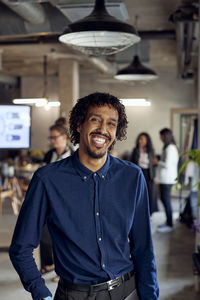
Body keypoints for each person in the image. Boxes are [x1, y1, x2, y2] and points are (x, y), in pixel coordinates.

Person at [9, 92, 159, 300]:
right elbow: (21, 247)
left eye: (111, 124)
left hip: (127, 291)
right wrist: (40, 292)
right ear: (79, 124)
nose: (103, 129)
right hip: (74, 294)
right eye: (95, 120)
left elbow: (143, 248)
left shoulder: (132, 177)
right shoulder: (47, 180)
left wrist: (150, 295)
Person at [40, 120, 74, 281]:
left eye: (55, 137)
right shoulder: (49, 155)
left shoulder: (75, 156)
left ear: (65, 137)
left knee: (64, 239)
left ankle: (63, 272)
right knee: (45, 234)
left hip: (66, 202)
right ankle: (49, 264)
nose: (53, 141)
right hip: (48, 200)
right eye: (51, 138)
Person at [155, 128, 179, 233]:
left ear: (165, 136)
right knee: (165, 201)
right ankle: (168, 221)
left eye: (161, 136)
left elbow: (167, 165)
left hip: (167, 179)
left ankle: (169, 224)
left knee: (166, 201)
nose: (160, 138)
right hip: (166, 179)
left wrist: (157, 161)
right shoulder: (169, 147)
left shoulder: (170, 148)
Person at [130, 132, 158, 215]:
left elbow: (154, 164)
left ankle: (150, 213)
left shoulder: (151, 151)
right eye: (139, 139)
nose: (140, 140)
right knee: (140, 193)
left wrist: (154, 176)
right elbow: (132, 162)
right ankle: (140, 211)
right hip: (139, 172)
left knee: (150, 194)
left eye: (142, 139)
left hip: (149, 174)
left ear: (147, 140)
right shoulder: (136, 150)